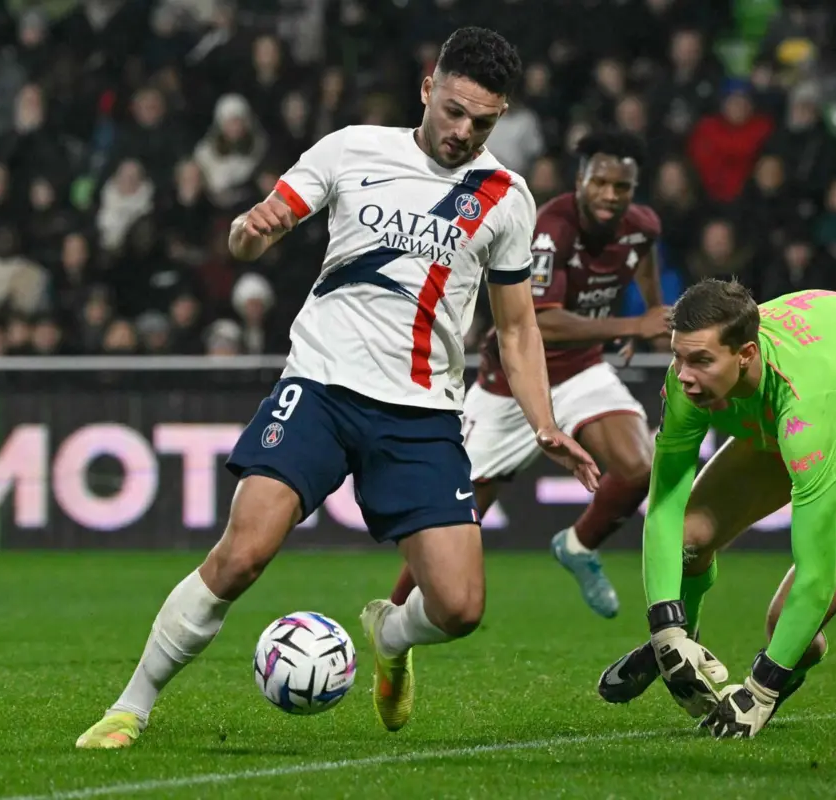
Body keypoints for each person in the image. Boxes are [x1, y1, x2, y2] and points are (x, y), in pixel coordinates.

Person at [75, 26, 599, 749]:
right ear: (428, 88)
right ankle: (129, 707)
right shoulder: (352, 148)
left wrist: (543, 423)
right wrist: (249, 235)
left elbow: (516, 330)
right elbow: (252, 233)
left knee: (460, 607)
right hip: (321, 387)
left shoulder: (505, 197)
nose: (463, 132)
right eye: (454, 111)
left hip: (421, 415)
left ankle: (390, 636)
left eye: (483, 122)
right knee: (243, 551)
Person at [596, 280, 836, 739]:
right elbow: (665, 503)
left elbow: (815, 573)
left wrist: (760, 689)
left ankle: (778, 677)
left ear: (744, 354)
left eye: (701, 361)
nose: (684, 375)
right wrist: (666, 627)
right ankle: (686, 642)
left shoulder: (809, 409)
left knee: (787, 621)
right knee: (689, 537)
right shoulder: (690, 378)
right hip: (797, 404)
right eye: (678, 356)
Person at [388, 130, 669, 619]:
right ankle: (390, 615)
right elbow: (540, 320)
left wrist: (652, 309)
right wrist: (633, 324)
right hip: (513, 384)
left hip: (581, 370)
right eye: (599, 182)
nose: (609, 194)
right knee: (454, 517)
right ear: (581, 179)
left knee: (641, 466)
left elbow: (643, 257)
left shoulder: (642, 226)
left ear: (633, 189)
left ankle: (579, 547)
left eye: (620, 187)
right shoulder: (551, 227)